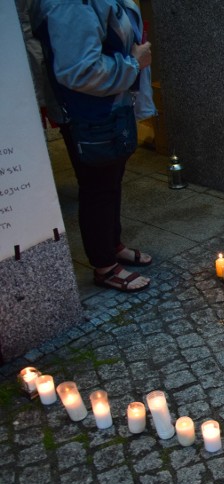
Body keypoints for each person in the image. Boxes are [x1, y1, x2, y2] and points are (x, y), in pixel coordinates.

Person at [31, 0, 154, 292]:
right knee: (97, 186)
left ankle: (112, 245)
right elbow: (79, 70)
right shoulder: (69, 4)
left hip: (110, 107)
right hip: (89, 114)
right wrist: (133, 64)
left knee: (110, 181)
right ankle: (104, 265)